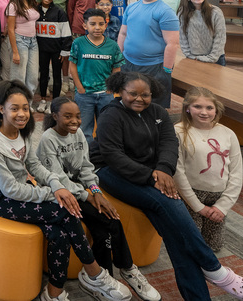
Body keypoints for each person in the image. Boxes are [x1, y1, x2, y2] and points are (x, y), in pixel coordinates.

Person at [91, 71, 243, 300]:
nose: (139, 99)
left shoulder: (157, 112)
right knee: (167, 200)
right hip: (111, 172)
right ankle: (216, 269)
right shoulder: (111, 114)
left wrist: (164, 170)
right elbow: (112, 155)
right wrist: (153, 176)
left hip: (151, 172)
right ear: (120, 92)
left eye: (145, 94)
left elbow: (169, 143)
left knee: (176, 238)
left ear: (152, 94)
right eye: (132, 94)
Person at [0, 80, 133, 301]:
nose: (22, 114)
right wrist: (53, 193)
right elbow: (10, 189)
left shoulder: (22, 132)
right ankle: (94, 273)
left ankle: (54, 293)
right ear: (1, 109)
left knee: (59, 234)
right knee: (67, 210)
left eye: (25, 108)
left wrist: (56, 185)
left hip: (22, 190)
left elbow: (35, 166)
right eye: (14, 108)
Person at [38, 97, 161, 300]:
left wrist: (96, 191)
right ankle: (123, 269)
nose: (75, 121)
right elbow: (58, 179)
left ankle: (111, 277)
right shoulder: (47, 139)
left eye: (78, 116)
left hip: (83, 190)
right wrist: (88, 196)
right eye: (67, 116)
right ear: (54, 116)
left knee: (107, 221)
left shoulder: (77, 134)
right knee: (106, 218)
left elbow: (86, 167)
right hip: (60, 194)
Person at [174, 87, 242, 251]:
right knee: (191, 244)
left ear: (216, 109)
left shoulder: (228, 133)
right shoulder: (179, 131)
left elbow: (236, 173)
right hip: (190, 194)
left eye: (209, 107)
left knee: (214, 246)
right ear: (187, 108)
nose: (204, 112)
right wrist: (198, 206)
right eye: (198, 106)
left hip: (219, 195)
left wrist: (222, 206)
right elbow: (178, 172)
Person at [118, 0, 179, 108]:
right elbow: (123, 33)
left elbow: (172, 43)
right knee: (129, 102)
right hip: (129, 63)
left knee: (153, 106)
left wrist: (166, 70)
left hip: (154, 66)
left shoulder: (165, 11)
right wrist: (119, 57)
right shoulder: (132, 7)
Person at [69, 8, 123, 142]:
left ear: (106, 24)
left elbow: (116, 68)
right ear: (85, 25)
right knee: (84, 129)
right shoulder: (78, 43)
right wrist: (79, 87)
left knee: (106, 127)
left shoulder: (112, 45)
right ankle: (86, 157)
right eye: (92, 24)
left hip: (105, 94)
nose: (97, 27)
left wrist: (111, 88)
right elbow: (72, 65)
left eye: (101, 24)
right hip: (84, 94)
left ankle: (102, 154)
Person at [35, 0, 72, 114]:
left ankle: (54, 102)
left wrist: (64, 50)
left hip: (56, 50)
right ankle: (43, 99)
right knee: (43, 75)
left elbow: (66, 32)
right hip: (41, 49)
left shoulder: (59, 12)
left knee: (57, 75)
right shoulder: (35, 11)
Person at [178, 0, 227, 65]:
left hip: (216, 58)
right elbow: (182, 37)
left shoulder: (215, 12)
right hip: (194, 57)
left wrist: (212, 57)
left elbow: (220, 37)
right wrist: (189, 55)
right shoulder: (182, 13)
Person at [6, 0, 39, 95]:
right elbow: (10, 29)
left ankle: (28, 104)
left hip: (33, 42)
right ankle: (16, 101)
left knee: (33, 77)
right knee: (19, 76)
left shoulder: (31, 2)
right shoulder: (13, 5)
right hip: (20, 40)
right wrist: (15, 51)